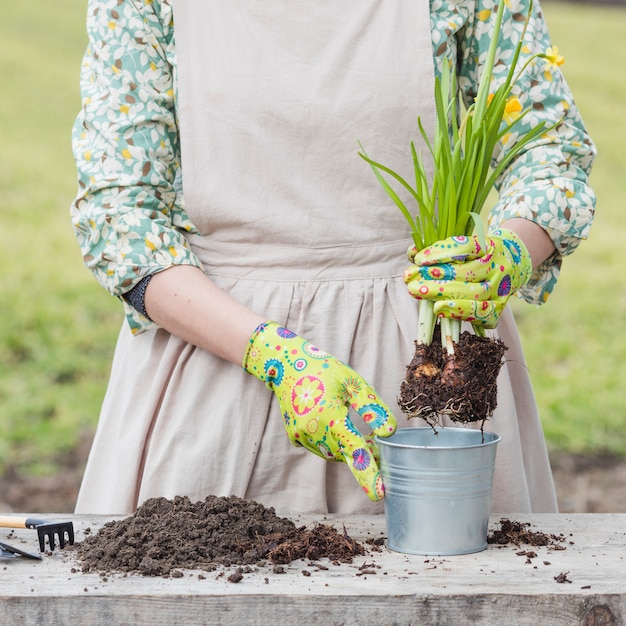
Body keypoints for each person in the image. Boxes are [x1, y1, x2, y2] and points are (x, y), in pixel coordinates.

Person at [70, 0, 596, 516]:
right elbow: (121, 216)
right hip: (219, 369)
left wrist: (510, 252)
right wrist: (275, 358)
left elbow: (549, 150)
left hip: (430, 368)